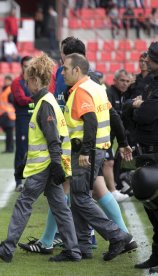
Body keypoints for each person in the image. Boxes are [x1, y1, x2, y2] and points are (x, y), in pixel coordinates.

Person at [0, 53, 81, 262]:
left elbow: (52, 138)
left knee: (24, 203)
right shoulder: (47, 101)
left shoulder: (44, 103)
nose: (27, 85)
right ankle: (73, 250)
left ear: (35, 80)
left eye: (28, 81)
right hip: (49, 165)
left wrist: (55, 164)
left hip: (45, 166)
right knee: (60, 208)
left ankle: (7, 248)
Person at [62, 53, 133, 261]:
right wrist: (123, 143)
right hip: (99, 150)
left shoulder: (82, 91)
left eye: (65, 69)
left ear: (77, 70)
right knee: (78, 196)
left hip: (87, 152)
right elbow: (114, 117)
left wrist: (85, 151)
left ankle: (117, 235)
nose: (63, 72)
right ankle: (83, 246)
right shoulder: (97, 87)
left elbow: (91, 121)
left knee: (81, 198)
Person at [131, 41, 158, 272]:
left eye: (151, 57)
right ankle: (156, 256)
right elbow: (134, 111)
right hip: (146, 151)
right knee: (151, 207)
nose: (146, 60)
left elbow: (147, 114)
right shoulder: (150, 82)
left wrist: (141, 106)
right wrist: (139, 106)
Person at [104, 69, 131, 202]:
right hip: (103, 134)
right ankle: (112, 191)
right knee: (109, 162)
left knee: (108, 162)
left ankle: (111, 187)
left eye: (127, 81)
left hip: (111, 135)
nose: (124, 84)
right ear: (114, 81)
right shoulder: (109, 94)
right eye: (122, 80)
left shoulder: (123, 95)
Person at [11, 56, 33, 191]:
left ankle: (34, 180)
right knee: (21, 150)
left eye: (30, 66)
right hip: (23, 119)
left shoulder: (35, 81)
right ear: (21, 66)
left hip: (35, 118)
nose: (28, 68)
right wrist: (36, 98)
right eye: (25, 66)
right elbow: (20, 100)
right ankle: (19, 181)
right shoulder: (17, 82)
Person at [0, 75, 15, 153]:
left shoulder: (10, 90)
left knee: (9, 134)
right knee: (8, 134)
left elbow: (12, 102)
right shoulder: (4, 89)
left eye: (6, 80)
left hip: (8, 115)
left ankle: (10, 149)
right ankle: (8, 148)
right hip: (5, 115)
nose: (5, 82)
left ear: (10, 81)